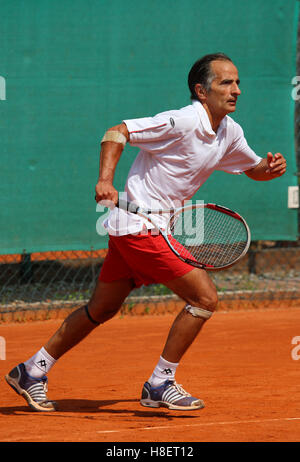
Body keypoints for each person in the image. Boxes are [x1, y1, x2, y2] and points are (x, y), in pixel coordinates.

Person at [5, 53, 286, 412]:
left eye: (237, 82)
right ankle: (160, 383)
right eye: (225, 83)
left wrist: (270, 168)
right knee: (204, 298)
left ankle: (31, 370)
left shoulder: (230, 132)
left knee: (101, 309)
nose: (236, 90)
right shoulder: (181, 121)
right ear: (201, 91)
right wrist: (106, 180)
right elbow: (116, 132)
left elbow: (253, 168)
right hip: (141, 228)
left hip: (143, 228)